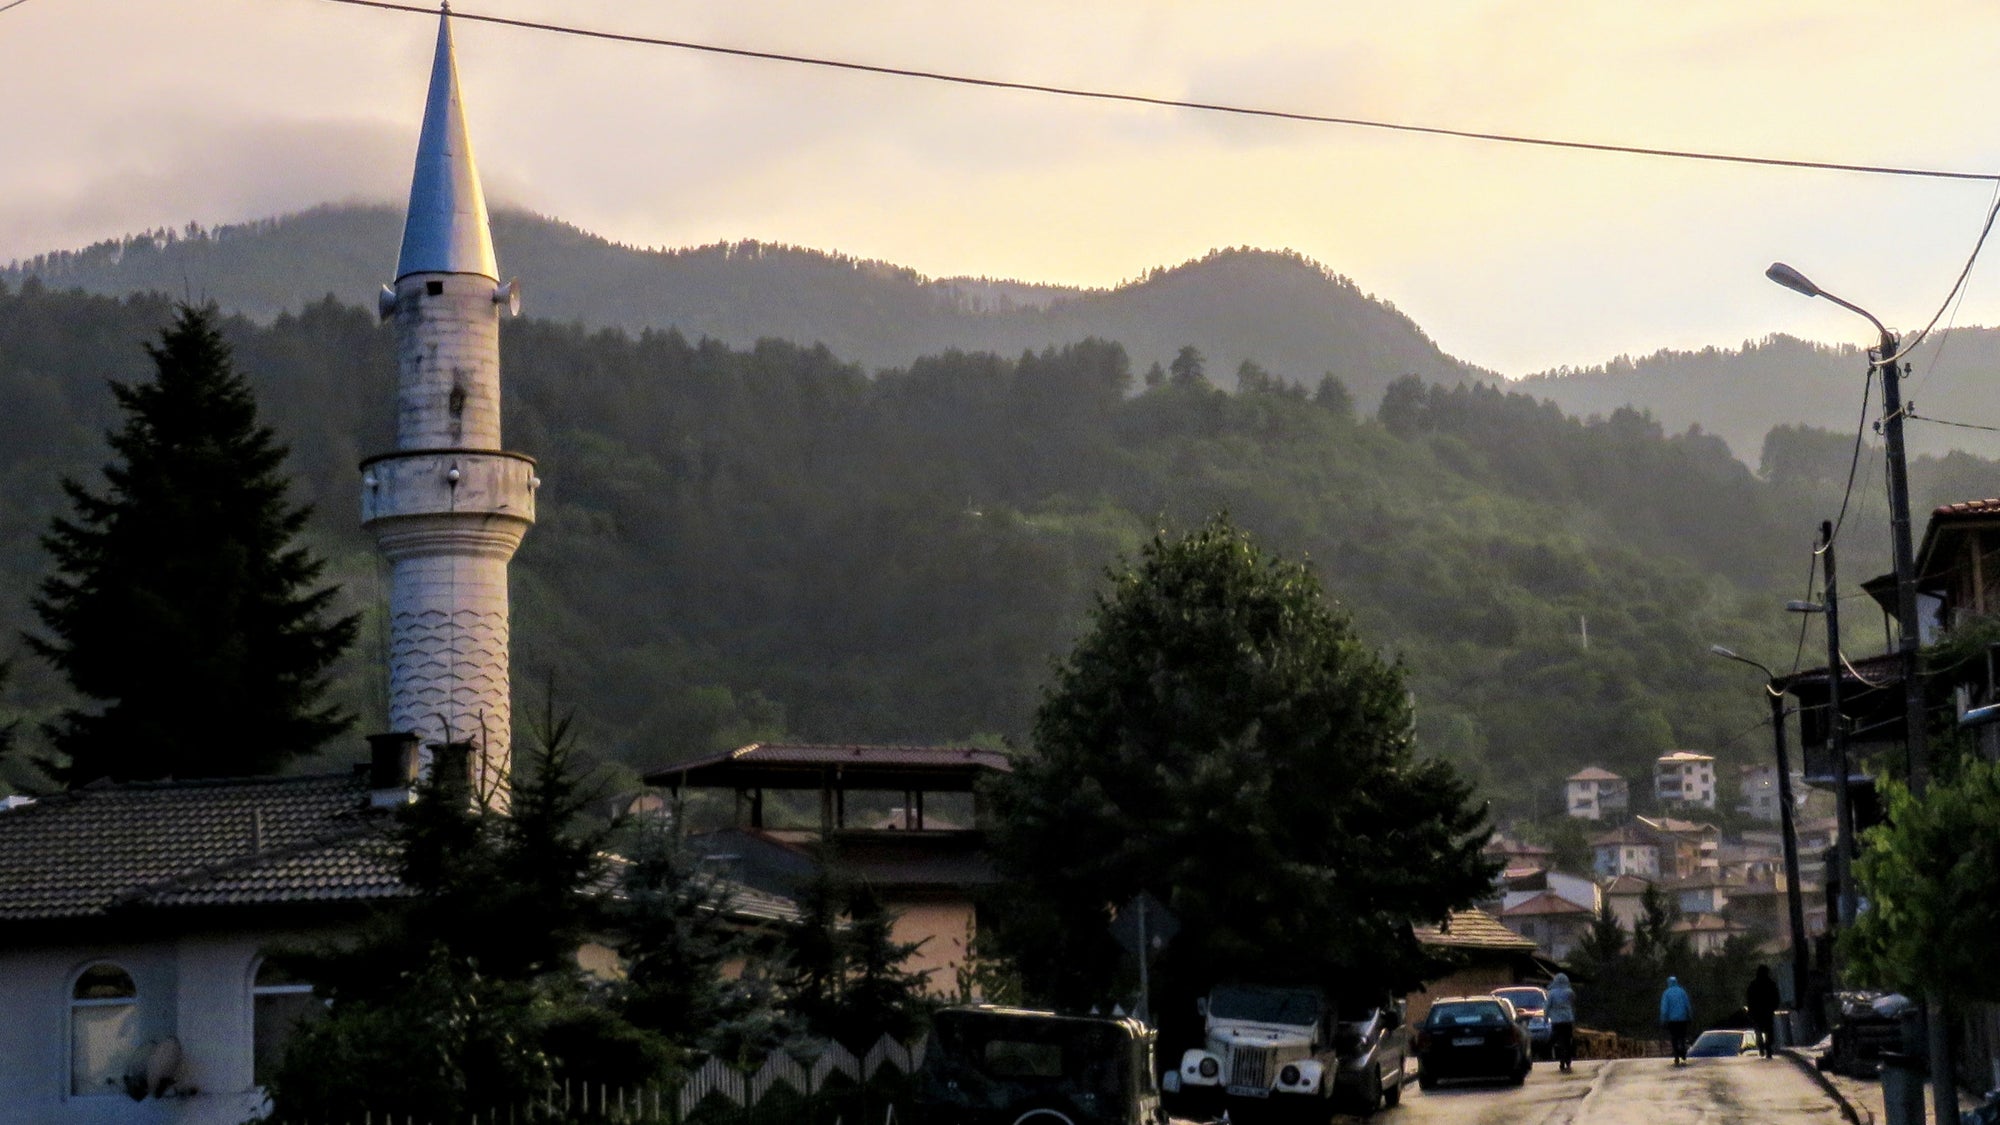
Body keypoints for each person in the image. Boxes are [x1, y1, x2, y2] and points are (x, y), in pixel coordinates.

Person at [1745, 965, 1781, 1058]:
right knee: (1767, 1031)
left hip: (1759, 1012)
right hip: (1765, 1011)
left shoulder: (1754, 984)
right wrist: (1773, 1007)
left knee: (1760, 1030)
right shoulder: (1770, 984)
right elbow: (1776, 997)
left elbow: (1749, 999)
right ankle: (1766, 1048)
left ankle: (1764, 1047)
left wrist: (1751, 1010)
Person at [1546, 972, 1578, 1072]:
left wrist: (1546, 1017)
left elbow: (1547, 1006)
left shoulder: (1551, 993)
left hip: (1556, 1021)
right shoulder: (1569, 992)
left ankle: (1561, 1059)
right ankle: (1568, 1059)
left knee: (1558, 1040)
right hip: (1568, 1020)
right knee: (1568, 1040)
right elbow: (1573, 1004)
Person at [1660, 976, 1694, 1065]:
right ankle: (1683, 1050)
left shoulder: (1666, 993)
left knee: (1674, 1037)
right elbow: (1687, 1005)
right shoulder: (1682, 992)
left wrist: (1663, 1019)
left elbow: (1664, 1008)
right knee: (1682, 1036)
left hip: (1672, 1020)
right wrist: (1689, 1016)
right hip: (1683, 1019)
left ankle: (1676, 1055)